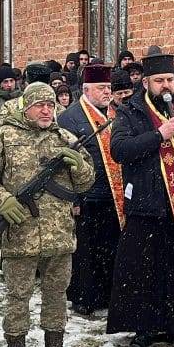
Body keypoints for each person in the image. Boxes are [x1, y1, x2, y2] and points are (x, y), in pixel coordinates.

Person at [0, 83, 94, 347]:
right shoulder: (4, 135)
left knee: (56, 295)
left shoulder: (65, 138)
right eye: (39, 105)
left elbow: (86, 183)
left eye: (51, 105)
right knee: (18, 297)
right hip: (21, 232)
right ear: (26, 106)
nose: (46, 110)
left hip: (59, 234)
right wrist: (4, 200)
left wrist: (78, 165)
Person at [107, 53, 174, 347]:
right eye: (159, 81)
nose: (166, 86)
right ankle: (145, 328)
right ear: (147, 82)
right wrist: (158, 135)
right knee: (145, 269)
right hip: (146, 203)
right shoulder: (131, 111)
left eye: (169, 80)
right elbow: (120, 150)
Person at [56, 65, 123, 318]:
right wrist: (73, 197)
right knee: (86, 250)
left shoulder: (116, 113)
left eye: (108, 88)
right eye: (101, 88)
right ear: (86, 89)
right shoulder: (69, 118)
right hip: (86, 195)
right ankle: (84, 297)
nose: (107, 92)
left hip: (113, 194)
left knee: (110, 247)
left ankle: (107, 293)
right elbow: (64, 164)